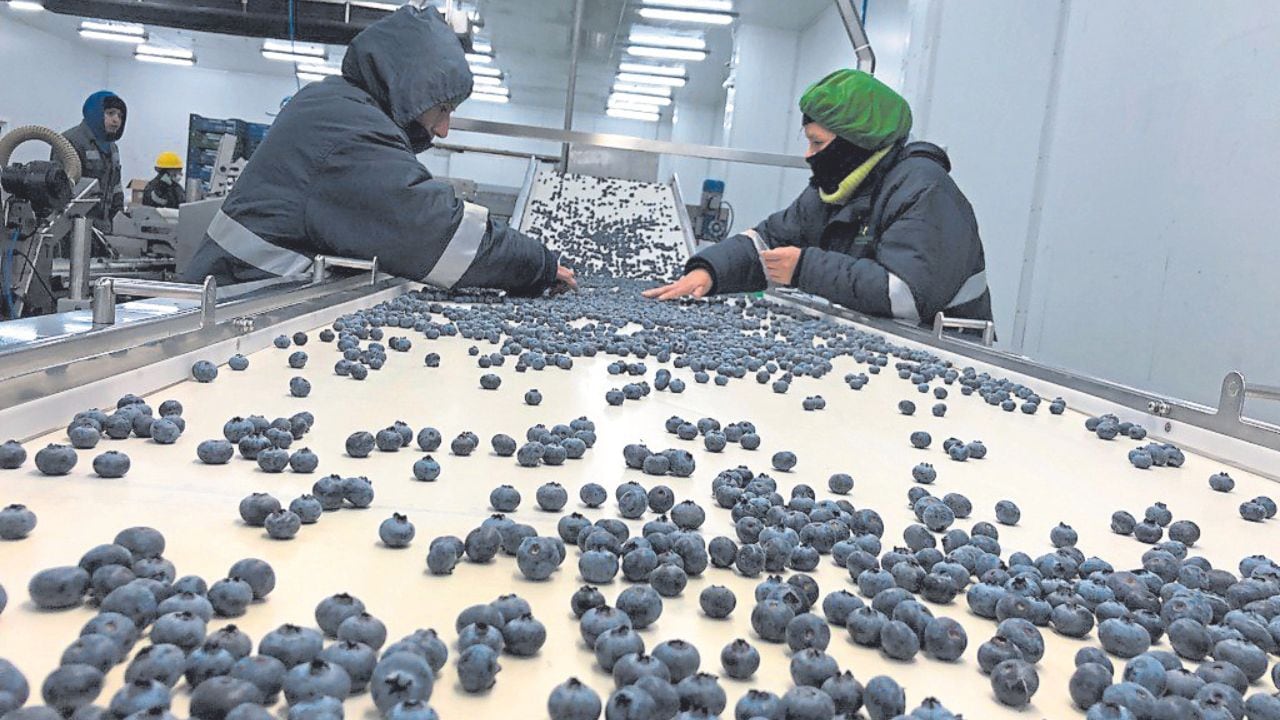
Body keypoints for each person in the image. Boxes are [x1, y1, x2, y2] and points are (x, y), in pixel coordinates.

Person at [181, 6, 573, 294]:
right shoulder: (346, 130)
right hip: (237, 306)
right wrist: (539, 263)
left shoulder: (337, 105)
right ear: (410, 90)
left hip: (248, 292)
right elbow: (436, 233)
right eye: (442, 109)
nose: (443, 129)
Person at [645, 69, 992, 327]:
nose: (809, 155)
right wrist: (709, 271)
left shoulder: (924, 188)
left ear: (856, 143)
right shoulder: (838, 187)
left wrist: (804, 268)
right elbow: (769, 239)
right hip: (874, 338)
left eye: (818, 143)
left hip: (943, 357)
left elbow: (907, 297)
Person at [59, 90, 127, 232]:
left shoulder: (112, 148)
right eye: (110, 113)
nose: (116, 120)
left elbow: (116, 187)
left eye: (120, 116)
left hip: (104, 228)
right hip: (74, 229)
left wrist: (120, 219)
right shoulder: (69, 142)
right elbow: (60, 191)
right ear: (95, 112)